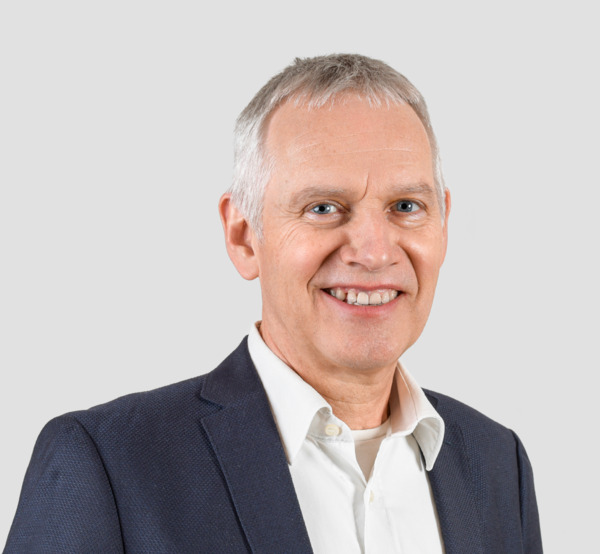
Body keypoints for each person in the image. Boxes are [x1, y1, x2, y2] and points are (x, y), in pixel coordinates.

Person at [4, 54, 542, 553]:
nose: (375, 252)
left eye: (406, 206)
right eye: (323, 207)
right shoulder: (108, 466)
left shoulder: (498, 465)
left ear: (443, 224)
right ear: (243, 236)